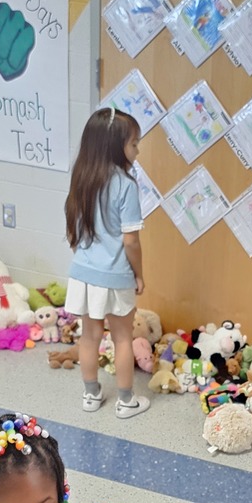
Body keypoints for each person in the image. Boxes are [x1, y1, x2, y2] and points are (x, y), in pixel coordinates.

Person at [64, 106, 149, 418]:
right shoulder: (126, 185)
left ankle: (91, 395)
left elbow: (72, 225)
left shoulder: (82, 178)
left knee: (89, 336)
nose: (137, 151)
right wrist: (139, 275)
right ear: (115, 147)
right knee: (123, 338)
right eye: (134, 144)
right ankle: (126, 401)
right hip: (115, 275)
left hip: (83, 274)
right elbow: (131, 241)